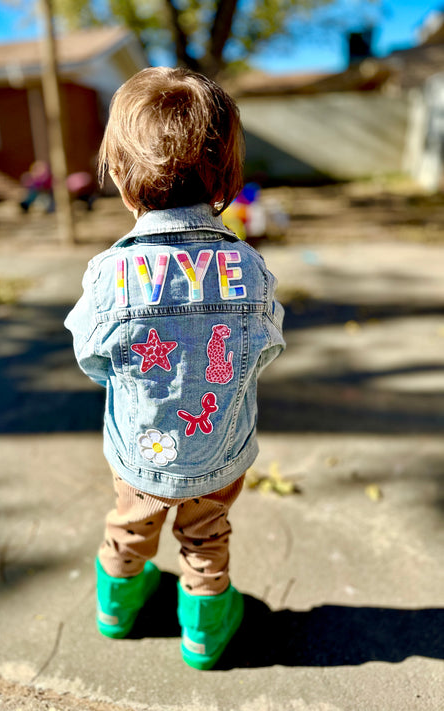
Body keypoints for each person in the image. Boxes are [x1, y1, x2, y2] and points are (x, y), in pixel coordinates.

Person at [64, 67, 285, 670]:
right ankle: (204, 631)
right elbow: (266, 350)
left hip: (141, 453)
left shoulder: (109, 272)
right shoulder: (251, 267)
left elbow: (90, 356)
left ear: (121, 177)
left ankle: (116, 605)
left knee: (130, 524)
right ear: (227, 176)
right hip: (219, 451)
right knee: (206, 536)